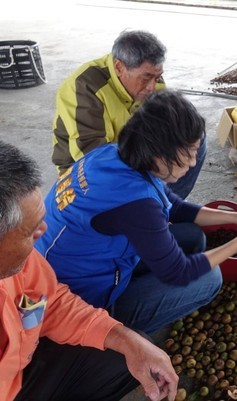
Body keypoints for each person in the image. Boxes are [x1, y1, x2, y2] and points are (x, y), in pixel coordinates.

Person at [35, 89, 237, 334]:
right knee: (210, 279)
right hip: (79, 301)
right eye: (189, 154)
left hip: (77, 264)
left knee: (194, 238)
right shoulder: (134, 203)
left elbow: (174, 206)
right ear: (159, 153)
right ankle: (117, 334)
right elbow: (179, 272)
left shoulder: (112, 154)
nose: (194, 162)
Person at [0, 140, 178, 401]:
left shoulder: (20, 264)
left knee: (131, 350)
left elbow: (50, 302)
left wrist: (124, 339)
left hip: (20, 367)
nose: (44, 232)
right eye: (30, 232)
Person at [50, 29, 205, 199]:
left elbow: (169, 126)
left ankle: (167, 205)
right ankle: (154, 206)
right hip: (86, 171)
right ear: (119, 67)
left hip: (134, 153)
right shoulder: (84, 87)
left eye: (157, 77)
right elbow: (94, 158)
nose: (152, 87)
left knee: (193, 140)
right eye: (146, 78)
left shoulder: (154, 83)